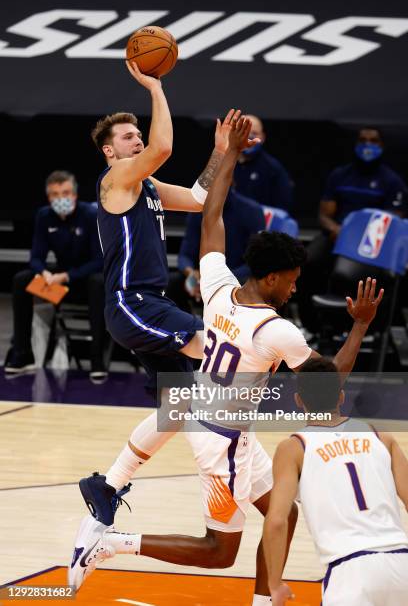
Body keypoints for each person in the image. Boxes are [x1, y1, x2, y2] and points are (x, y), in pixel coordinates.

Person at [70, 116, 383, 603]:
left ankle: (261, 598)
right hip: (221, 443)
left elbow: (209, 215)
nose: (297, 287)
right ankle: (112, 544)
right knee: (219, 552)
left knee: (285, 511)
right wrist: (361, 323)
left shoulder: (217, 287)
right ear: (276, 279)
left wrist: (227, 152)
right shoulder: (278, 331)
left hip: (223, 424)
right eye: (295, 279)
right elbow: (328, 381)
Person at [70, 62, 237, 544]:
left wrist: (220, 152)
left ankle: (106, 486)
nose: (136, 140)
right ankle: (224, 475)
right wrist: (155, 87)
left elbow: (202, 197)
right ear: (110, 151)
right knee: (216, 353)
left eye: (137, 133)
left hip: (150, 303)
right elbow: (164, 147)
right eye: (127, 136)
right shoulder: (116, 179)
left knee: (179, 404)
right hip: (132, 303)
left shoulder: (145, 186)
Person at [263, 356, 408, 605]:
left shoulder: (294, 447)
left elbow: (276, 520)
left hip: (350, 571)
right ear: (341, 397)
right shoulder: (381, 437)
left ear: (298, 400)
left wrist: (274, 584)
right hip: (402, 563)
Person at [297, 127, 408, 333]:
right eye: (363, 140)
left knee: (350, 273)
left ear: (381, 146)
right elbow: (324, 214)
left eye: (373, 141)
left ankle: (361, 328)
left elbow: (394, 220)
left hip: (372, 243)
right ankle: (310, 325)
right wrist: (336, 229)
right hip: (337, 234)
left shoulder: (392, 181)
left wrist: (356, 237)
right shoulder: (340, 175)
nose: (368, 145)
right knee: (305, 261)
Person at [4, 170, 107, 381]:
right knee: (22, 279)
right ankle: (22, 355)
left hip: (85, 282)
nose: (61, 198)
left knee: (98, 282)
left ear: (75, 195)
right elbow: (36, 257)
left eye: (66, 192)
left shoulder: (89, 215)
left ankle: (97, 360)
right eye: (55, 194)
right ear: (49, 197)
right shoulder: (44, 216)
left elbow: (99, 261)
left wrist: (67, 276)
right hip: (57, 287)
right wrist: (44, 273)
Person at [167, 185, 265, 312]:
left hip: (237, 276)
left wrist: (220, 279)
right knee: (172, 283)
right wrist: (191, 272)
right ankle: (186, 327)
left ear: (230, 183)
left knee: (254, 283)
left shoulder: (252, 211)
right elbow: (185, 255)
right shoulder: (197, 209)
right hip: (204, 278)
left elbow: (255, 263)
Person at [233, 115, 293, 211]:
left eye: (255, 133)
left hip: (260, 223)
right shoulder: (224, 164)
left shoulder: (273, 168)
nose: (250, 137)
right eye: (245, 132)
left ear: (263, 137)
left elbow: (282, 210)